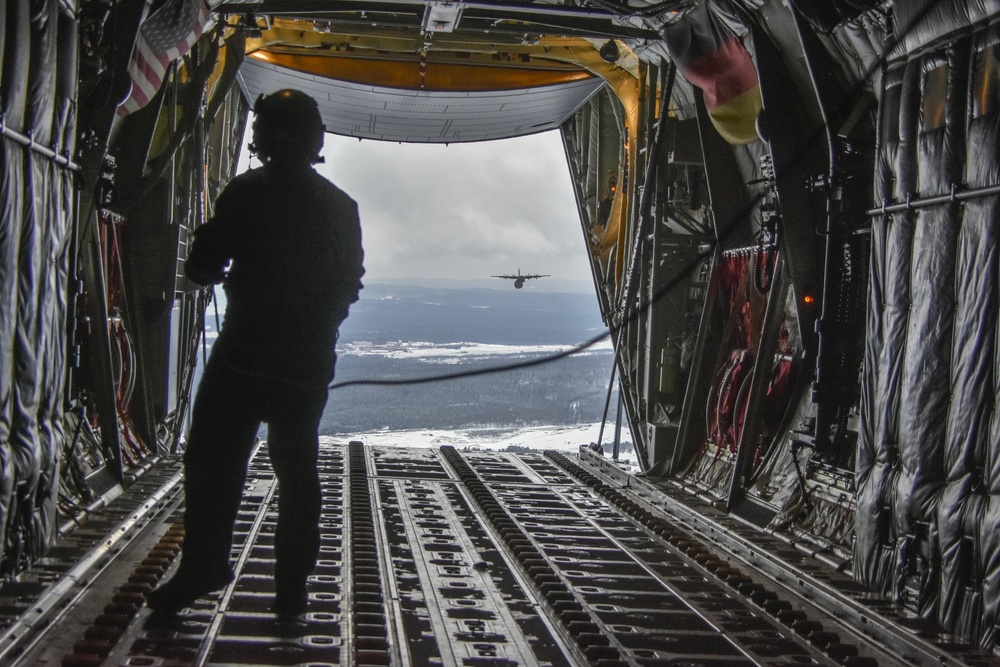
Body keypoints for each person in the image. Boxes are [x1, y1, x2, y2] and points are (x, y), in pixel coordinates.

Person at [147, 89, 364, 616]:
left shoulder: (246, 192)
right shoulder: (340, 206)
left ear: (261, 138)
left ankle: (203, 565)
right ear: (316, 140)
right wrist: (317, 333)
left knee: (213, 461)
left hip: (244, 354)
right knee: (297, 468)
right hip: (306, 363)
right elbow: (349, 284)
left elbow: (203, 265)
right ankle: (291, 588)